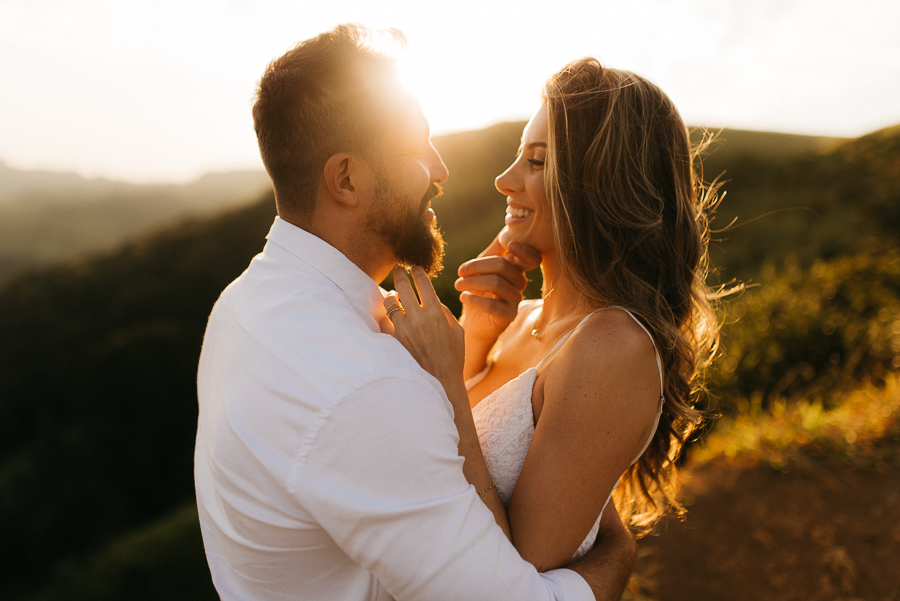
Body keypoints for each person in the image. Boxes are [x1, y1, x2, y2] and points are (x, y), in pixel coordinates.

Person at [194, 25, 636, 601]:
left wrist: (473, 341)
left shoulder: (243, 304)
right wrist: (616, 555)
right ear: (347, 179)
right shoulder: (364, 383)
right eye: (416, 148)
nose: (440, 168)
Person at [384, 58, 721, 571]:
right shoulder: (518, 319)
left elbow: (516, 572)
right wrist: (476, 333)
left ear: (601, 184)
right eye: (519, 155)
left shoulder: (615, 347)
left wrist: (443, 379)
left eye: (537, 161)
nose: (504, 179)